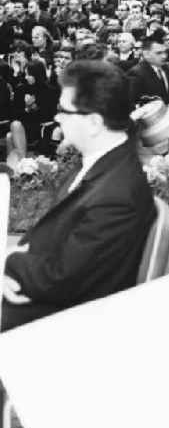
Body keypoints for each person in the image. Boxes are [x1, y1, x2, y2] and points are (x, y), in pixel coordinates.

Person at [2, 60, 156, 330]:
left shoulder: (117, 194)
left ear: (94, 122)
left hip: (66, 319)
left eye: (63, 110)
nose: (57, 117)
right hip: (47, 294)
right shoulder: (101, 164)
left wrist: (8, 266)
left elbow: (63, 277)